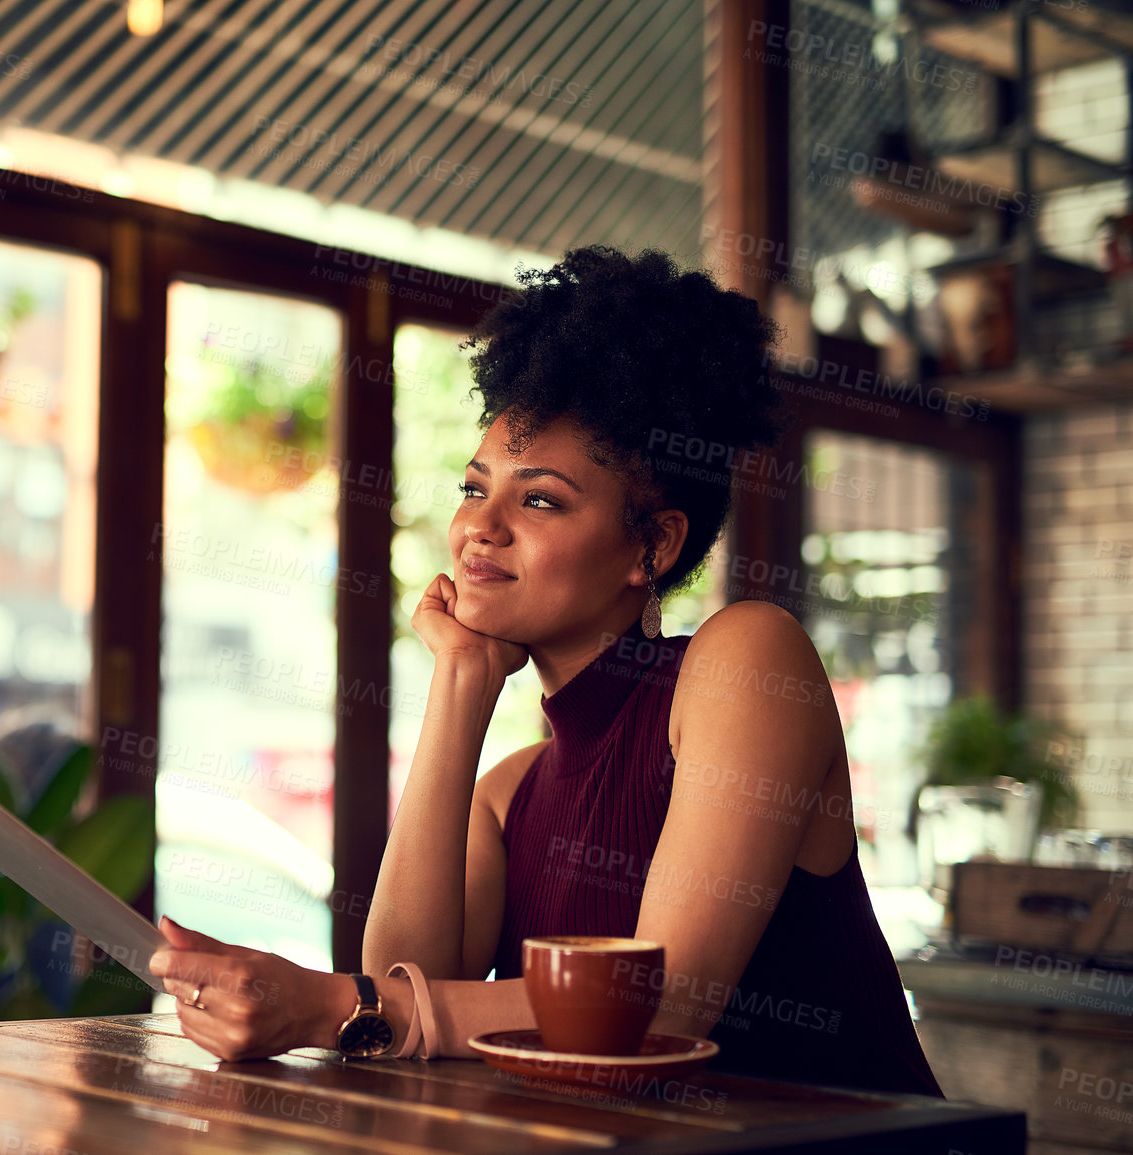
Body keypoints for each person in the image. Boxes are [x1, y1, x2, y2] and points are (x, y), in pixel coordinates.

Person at [149, 246, 943, 1098]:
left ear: (654, 545)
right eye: (472, 487)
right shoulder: (511, 790)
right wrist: (461, 683)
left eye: (539, 499)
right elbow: (400, 983)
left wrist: (324, 1006)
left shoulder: (747, 658)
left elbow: (661, 1011)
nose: (478, 528)